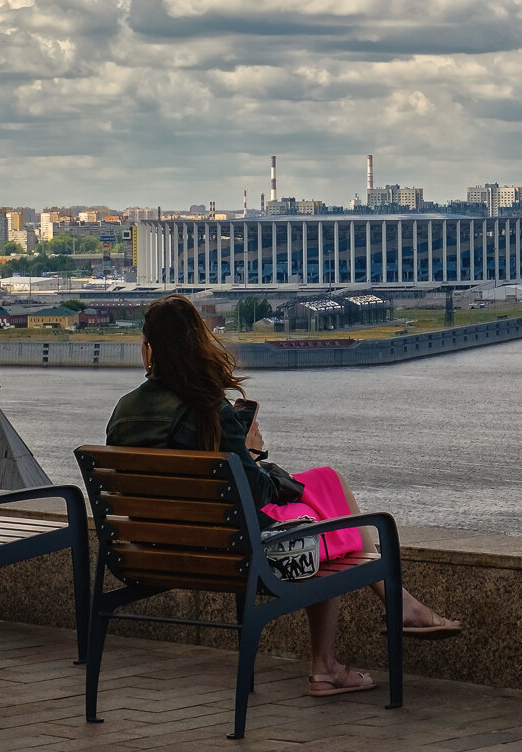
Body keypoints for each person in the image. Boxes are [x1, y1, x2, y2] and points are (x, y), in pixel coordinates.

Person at [106, 295, 460, 697]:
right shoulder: (210, 410)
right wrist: (254, 451)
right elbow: (252, 494)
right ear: (196, 343)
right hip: (237, 555)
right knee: (330, 531)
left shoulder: (124, 411)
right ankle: (331, 662)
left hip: (149, 551)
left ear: (148, 346)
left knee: (325, 480)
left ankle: (399, 608)